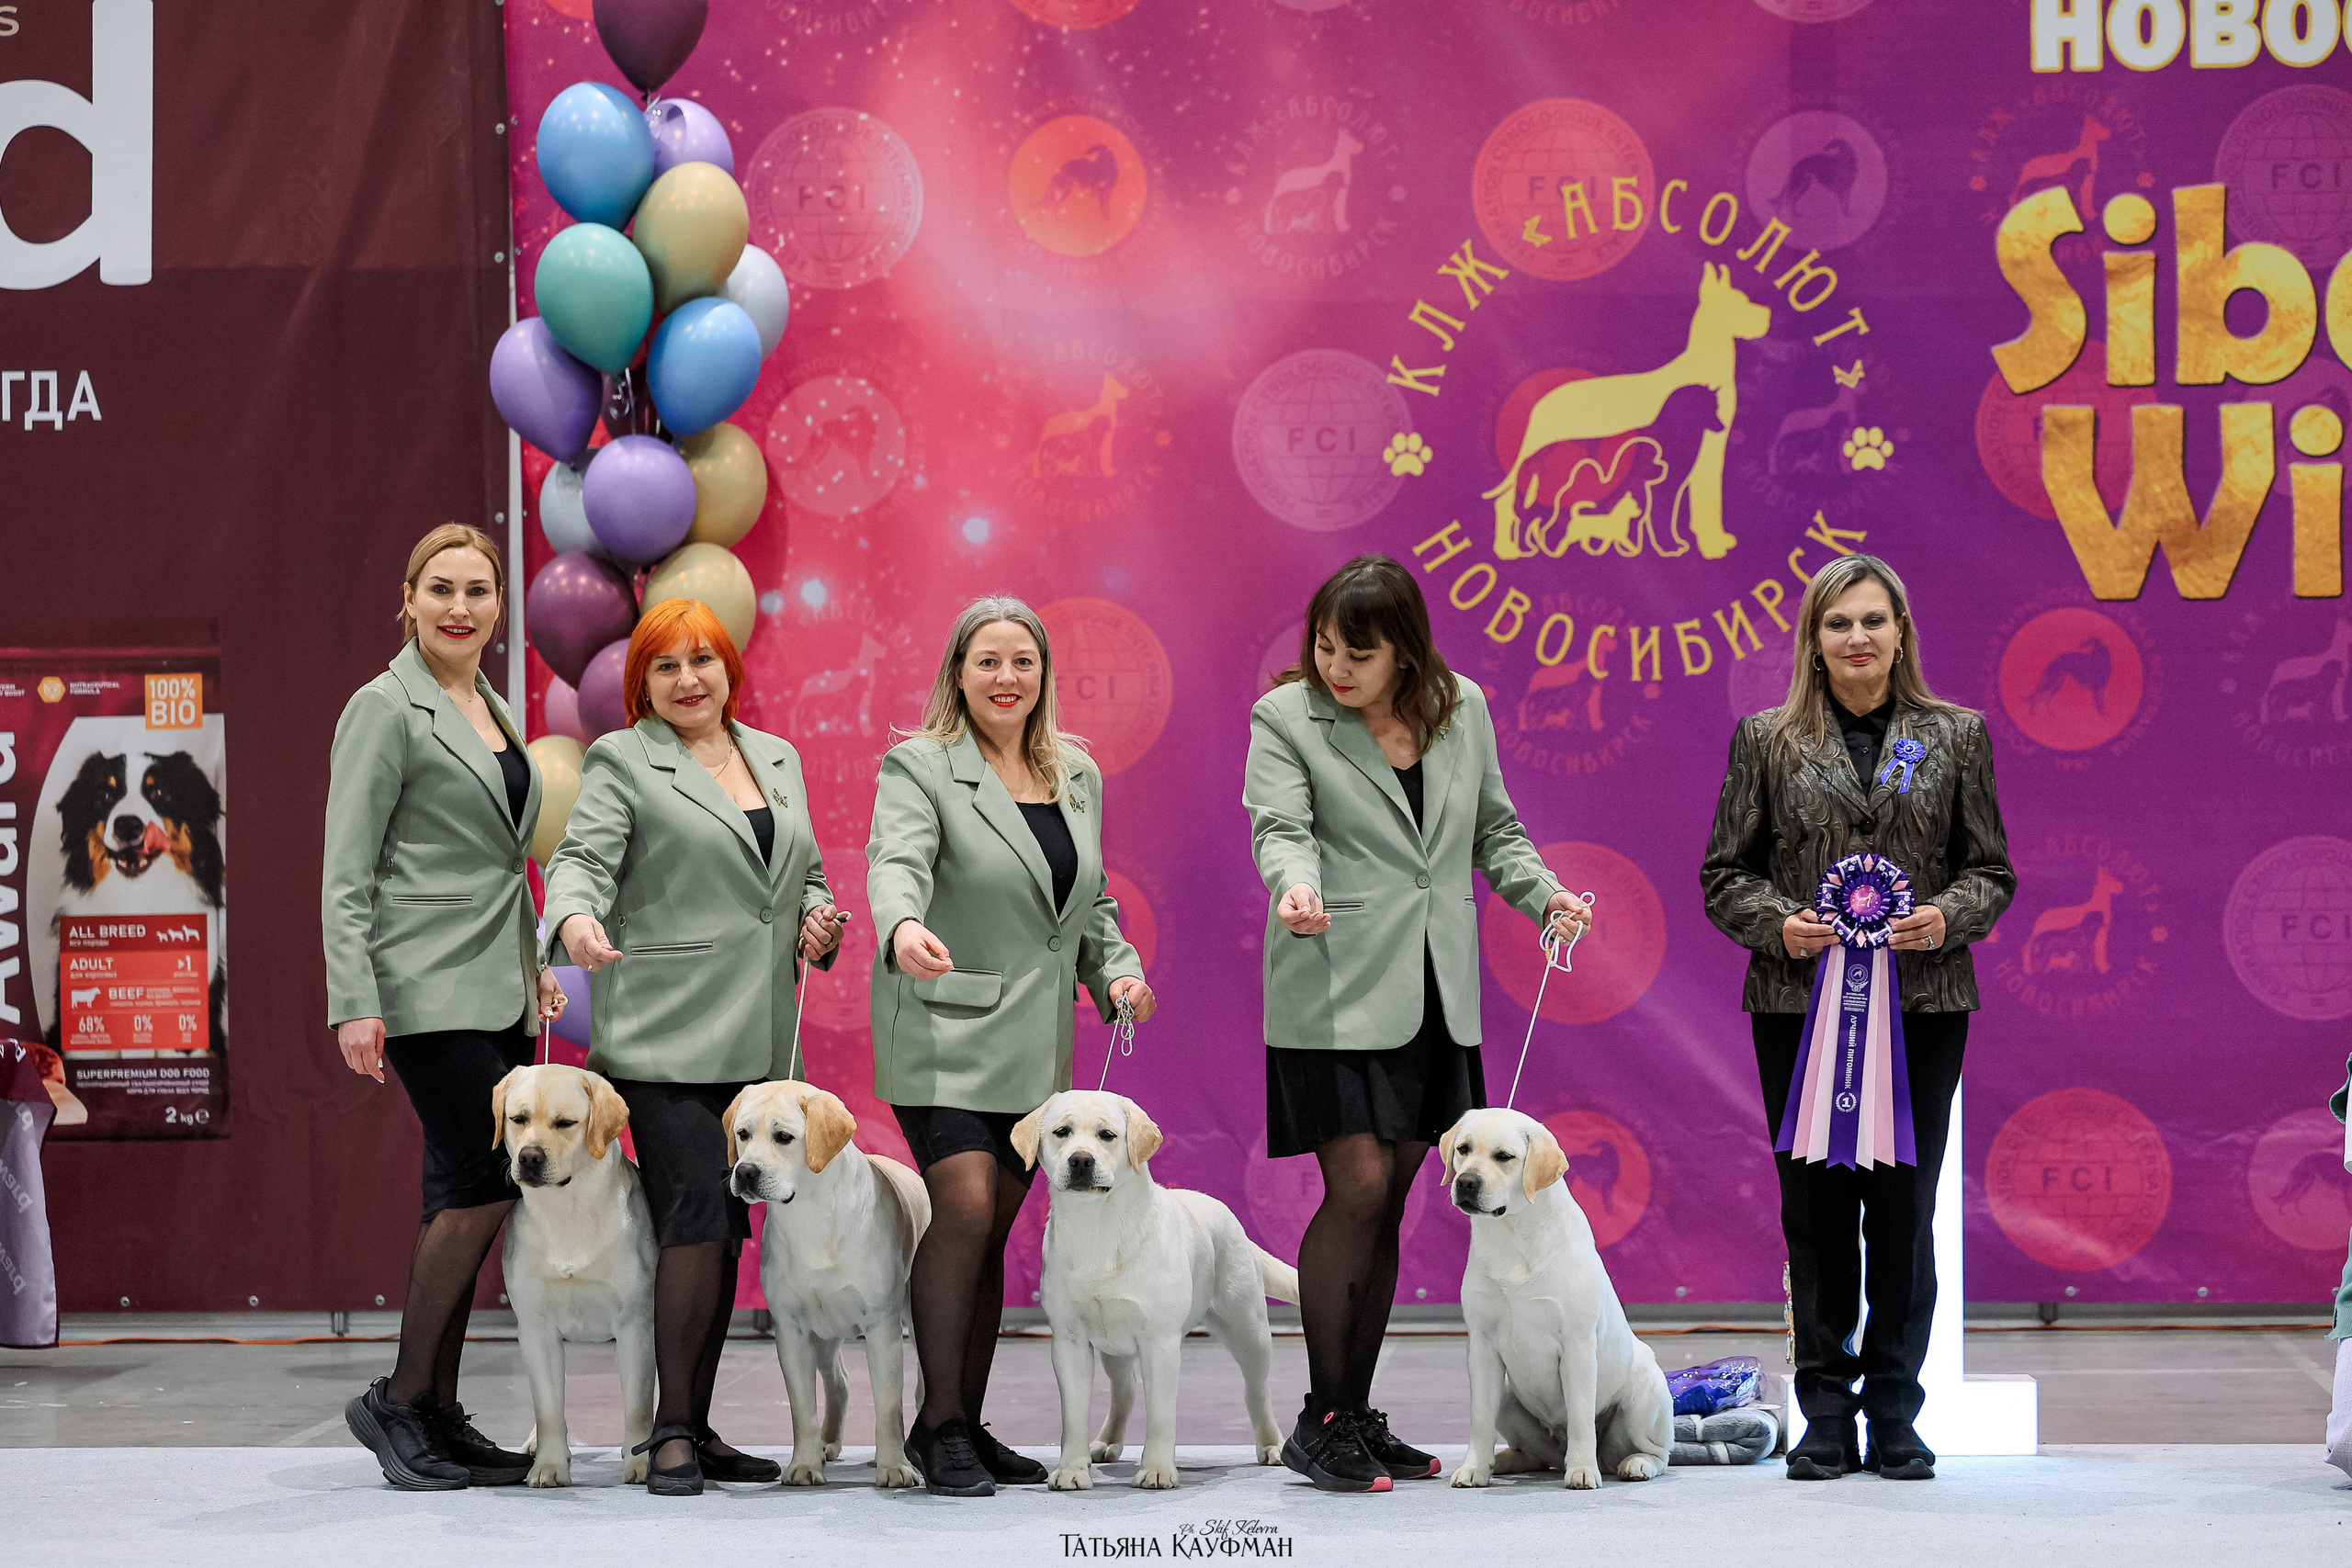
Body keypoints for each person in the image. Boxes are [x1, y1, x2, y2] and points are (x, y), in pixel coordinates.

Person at [1243, 555, 1589, 1494]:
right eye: (1323, 645)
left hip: (1436, 991)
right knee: (1355, 1183)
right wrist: (1294, 885)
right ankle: (1317, 1419)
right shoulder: (1285, 717)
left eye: (1358, 651)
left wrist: (1542, 896)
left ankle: (1353, 1412)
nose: (1335, 665)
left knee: (1395, 1192)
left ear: (1406, 650)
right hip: (1330, 985)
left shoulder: (1460, 706)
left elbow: (1495, 832)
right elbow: (1280, 828)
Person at [1701, 552, 2015, 1483]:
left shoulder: (1955, 736)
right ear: (1813, 638)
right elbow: (1725, 875)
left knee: (1904, 1216)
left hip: (1923, 1005)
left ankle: (1897, 1414)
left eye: (1873, 620)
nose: (1857, 638)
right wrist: (1783, 926)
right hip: (1799, 1007)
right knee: (1817, 1215)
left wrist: (1945, 917)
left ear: (1901, 631)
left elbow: (1989, 872)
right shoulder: (1765, 739)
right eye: (1838, 623)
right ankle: (1825, 1412)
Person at [544, 598, 847, 1496]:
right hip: (662, 1042)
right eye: (665, 665)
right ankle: (669, 1436)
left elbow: (803, 877)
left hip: (757, 1043)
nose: (687, 679)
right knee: (697, 1220)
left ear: (729, 668)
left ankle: (697, 1425)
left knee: (725, 1233)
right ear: (642, 681)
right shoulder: (623, 760)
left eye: (701, 660)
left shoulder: (778, 757)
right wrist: (574, 918)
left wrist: (818, 922)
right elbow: (579, 861)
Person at [866, 596, 1157, 1496]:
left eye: (1022, 662)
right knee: (963, 1206)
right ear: (958, 673)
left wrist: (1115, 971)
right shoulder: (920, 766)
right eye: (987, 661)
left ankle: (961, 1419)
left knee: (991, 1229)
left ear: (1044, 676)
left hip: (1037, 1047)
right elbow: (895, 862)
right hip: (944, 1027)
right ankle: (938, 1425)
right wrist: (902, 925)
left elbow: (1091, 903)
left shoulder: (1076, 774)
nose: (1006, 678)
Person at [324, 523, 563, 1491]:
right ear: (408, 598)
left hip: (495, 981)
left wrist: (532, 958)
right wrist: (353, 998)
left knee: (457, 1193)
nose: (461, 608)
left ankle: (436, 1410)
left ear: (497, 606)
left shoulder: (489, 707)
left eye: (478, 591)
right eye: (442, 590)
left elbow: (499, 863)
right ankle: (397, 1399)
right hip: (422, 985)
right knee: (483, 1182)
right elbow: (348, 867)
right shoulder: (384, 708)